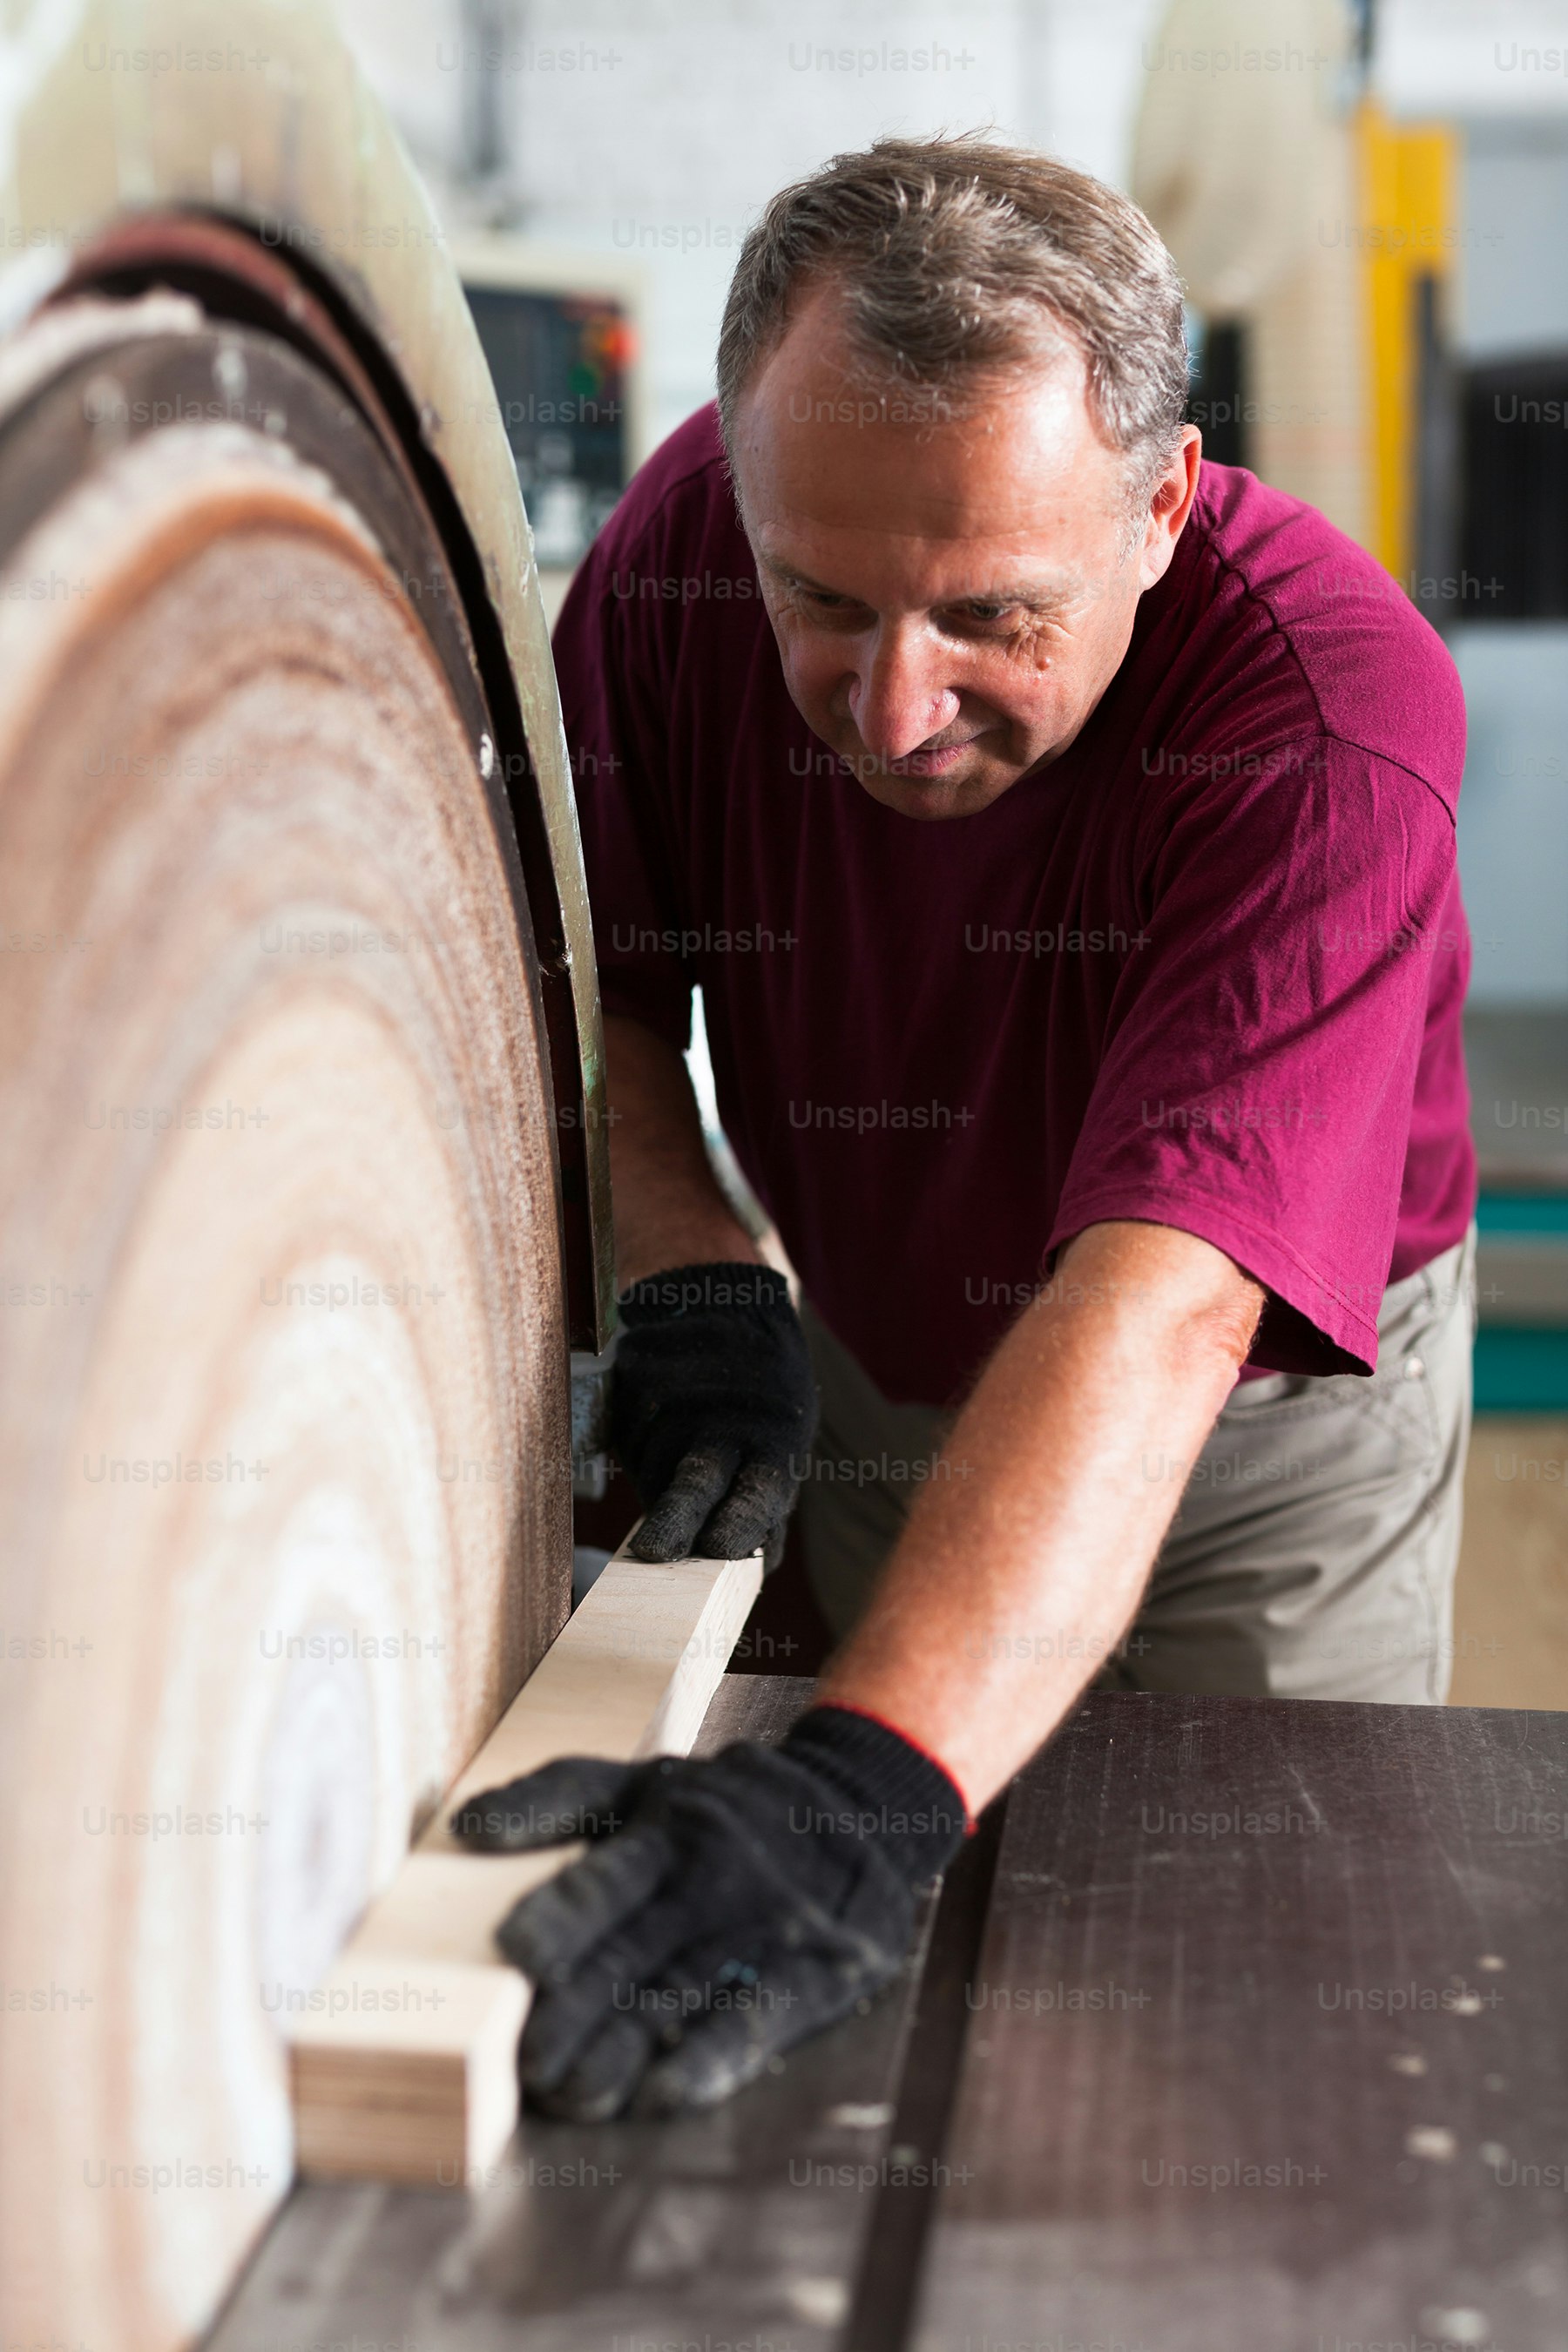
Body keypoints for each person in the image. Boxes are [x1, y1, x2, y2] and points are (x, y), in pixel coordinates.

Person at [452, 134, 1477, 2123]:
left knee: (1233, 2007)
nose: (896, 707)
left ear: (1165, 506)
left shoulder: (1329, 729)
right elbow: (601, 1009)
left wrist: (863, 1788)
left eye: (991, 618)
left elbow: (1169, 1301)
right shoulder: (677, 552)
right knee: (871, 2013)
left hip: (1268, 1439)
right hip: (876, 1346)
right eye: (820, 599)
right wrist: (688, 1271)